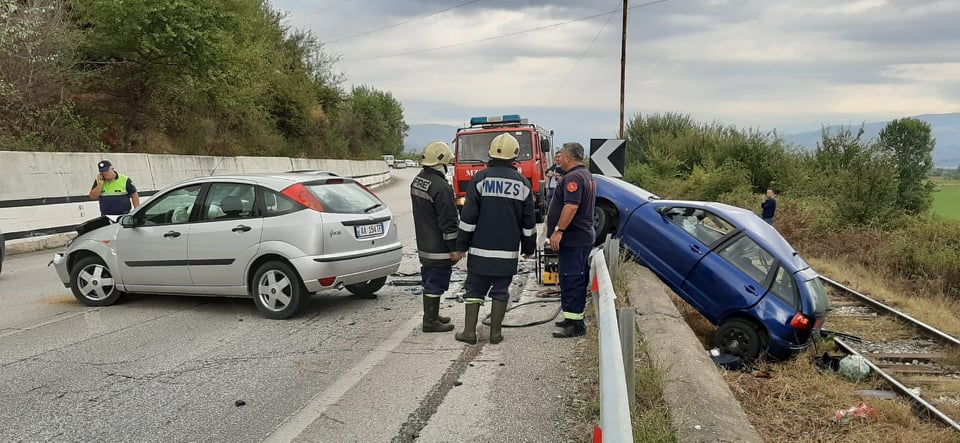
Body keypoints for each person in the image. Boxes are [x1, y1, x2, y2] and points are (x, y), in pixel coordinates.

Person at [455, 133, 537, 345]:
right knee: (501, 291)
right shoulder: (523, 184)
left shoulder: (480, 179)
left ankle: (469, 333)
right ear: (515, 156)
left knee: (474, 290)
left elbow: (468, 218)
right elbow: (529, 223)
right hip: (507, 253)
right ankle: (495, 334)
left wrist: (461, 246)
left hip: (480, 252)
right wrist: (529, 248)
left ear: (491, 153)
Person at [547, 142, 596, 338]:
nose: (559, 158)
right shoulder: (586, 175)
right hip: (581, 237)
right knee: (573, 276)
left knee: (573, 278)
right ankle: (571, 317)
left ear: (569, 157)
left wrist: (558, 230)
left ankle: (575, 325)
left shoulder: (574, 177)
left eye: (561, 155)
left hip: (574, 237)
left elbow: (571, 207)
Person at [411, 141, 461, 333]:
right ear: (442, 162)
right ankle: (430, 321)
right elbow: (448, 221)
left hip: (425, 243)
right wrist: (454, 248)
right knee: (436, 281)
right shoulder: (441, 187)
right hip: (438, 247)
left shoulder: (418, 180)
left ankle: (432, 314)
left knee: (429, 278)